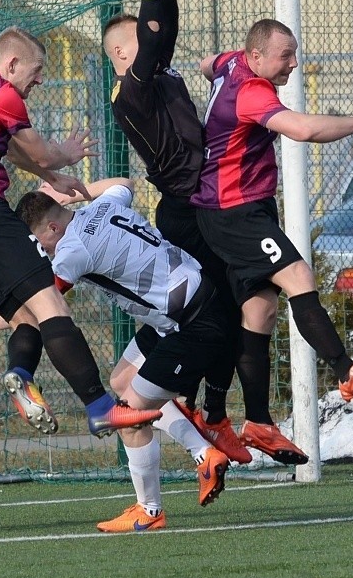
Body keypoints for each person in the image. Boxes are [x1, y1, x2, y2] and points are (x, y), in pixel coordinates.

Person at [101, 0, 295, 465]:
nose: (152, 46)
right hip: (189, 210)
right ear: (121, 53)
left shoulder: (158, 73)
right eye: (138, 41)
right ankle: (198, 409)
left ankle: (212, 412)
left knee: (233, 308)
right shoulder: (131, 88)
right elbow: (156, 33)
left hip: (205, 203)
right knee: (214, 315)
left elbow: (165, 30)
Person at [0, 26, 162, 438]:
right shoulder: (3, 92)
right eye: (35, 71)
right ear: (11, 63)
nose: (39, 80)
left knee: (25, 316)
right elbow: (35, 149)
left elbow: (13, 151)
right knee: (53, 307)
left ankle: (20, 373)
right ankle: (101, 407)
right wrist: (63, 155)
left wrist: (53, 175)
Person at [190, 17, 353, 454]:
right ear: (258, 56)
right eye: (286, 56)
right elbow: (303, 130)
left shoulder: (232, 65)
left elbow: (207, 64)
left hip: (236, 209)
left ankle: (259, 423)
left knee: (260, 312)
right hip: (235, 212)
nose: (294, 64)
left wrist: (221, 72)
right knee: (300, 277)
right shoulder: (251, 90)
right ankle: (347, 371)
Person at [15, 179, 234, 532]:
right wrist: (76, 190)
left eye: (43, 242)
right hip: (184, 305)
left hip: (191, 324)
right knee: (122, 380)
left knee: (128, 415)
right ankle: (204, 454)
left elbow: (45, 302)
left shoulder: (72, 249)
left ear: (54, 227)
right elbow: (125, 184)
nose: (45, 251)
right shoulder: (104, 205)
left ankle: (149, 512)